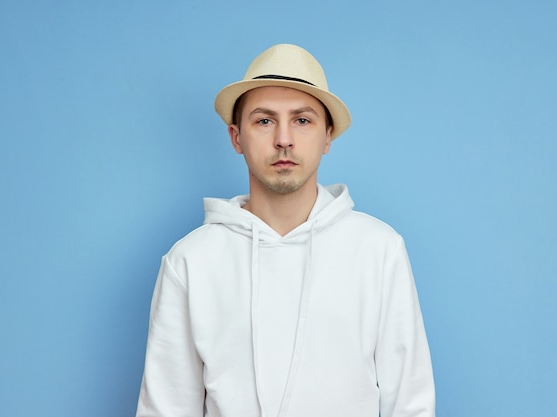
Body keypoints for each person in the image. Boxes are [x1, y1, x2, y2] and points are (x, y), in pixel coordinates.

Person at [136, 43, 435, 417]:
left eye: (302, 120)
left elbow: (410, 404)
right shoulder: (190, 262)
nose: (283, 139)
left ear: (328, 137)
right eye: (264, 120)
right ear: (236, 137)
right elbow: (166, 408)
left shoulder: (378, 249)